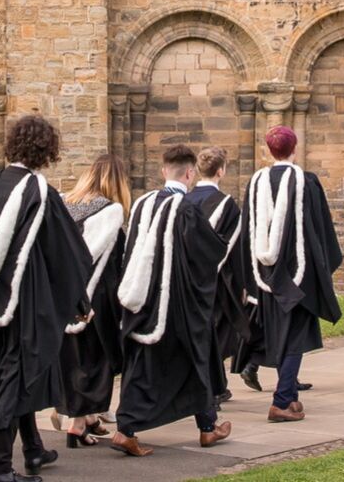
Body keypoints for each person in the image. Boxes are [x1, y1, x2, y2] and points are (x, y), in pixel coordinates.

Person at [0, 114, 91, 482]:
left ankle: (33, 449)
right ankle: (0, 469)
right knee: (13, 381)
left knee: (7, 378)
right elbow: (68, 253)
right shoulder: (39, 191)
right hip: (23, 304)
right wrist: (79, 301)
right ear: (45, 150)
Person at [109, 146, 233, 455]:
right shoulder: (186, 208)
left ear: (164, 170)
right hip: (175, 303)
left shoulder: (142, 203)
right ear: (190, 173)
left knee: (185, 360)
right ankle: (126, 429)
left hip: (140, 299)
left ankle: (208, 428)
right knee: (179, 359)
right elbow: (208, 254)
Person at [238, 126, 342, 422]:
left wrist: (251, 276)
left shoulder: (256, 182)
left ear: (269, 151)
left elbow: (247, 230)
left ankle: (291, 397)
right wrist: (324, 267)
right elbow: (320, 229)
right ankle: (282, 400)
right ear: (294, 148)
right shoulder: (306, 181)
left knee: (280, 334)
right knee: (294, 337)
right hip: (300, 276)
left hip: (266, 275)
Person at [57, 155, 130, 447]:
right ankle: (76, 425)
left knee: (73, 358)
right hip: (97, 294)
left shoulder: (65, 206)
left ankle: (82, 418)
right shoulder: (110, 212)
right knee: (96, 359)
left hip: (65, 293)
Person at [186, 147, 244, 404]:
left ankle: (217, 385)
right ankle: (209, 386)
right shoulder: (227, 205)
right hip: (217, 280)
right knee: (218, 333)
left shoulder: (184, 200)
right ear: (220, 170)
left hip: (185, 278)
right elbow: (233, 248)